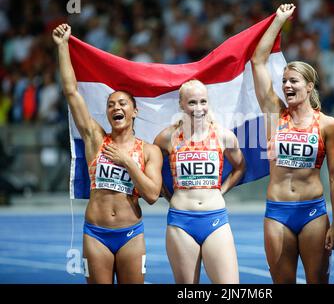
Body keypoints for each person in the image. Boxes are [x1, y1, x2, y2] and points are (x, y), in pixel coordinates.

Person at [53, 24, 163, 284]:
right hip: (96, 233)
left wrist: (127, 162)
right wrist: (62, 46)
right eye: (111, 104)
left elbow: (151, 195)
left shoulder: (149, 151)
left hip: (131, 235)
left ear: (134, 112)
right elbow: (71, 93)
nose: (116, 107)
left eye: (122, 103)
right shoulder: (96, 139)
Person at [250, 4, 334, 284]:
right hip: (277, 211)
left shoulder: (328, 124)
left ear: (310, 86)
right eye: (284, 81)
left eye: (294, 81)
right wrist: (278, 21)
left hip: (313, 211)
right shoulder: (274, 114)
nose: (287, 86)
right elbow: (257, 60)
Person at [153, 79, 245, 284]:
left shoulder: (224, 136)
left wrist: (221, 190)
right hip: (180, 222)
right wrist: (167, 194)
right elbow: (151, 169)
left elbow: (240, 167)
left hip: (216, 219)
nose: (198, 108)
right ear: (181, 104)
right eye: (192, 102)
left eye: (203, 101)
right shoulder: (167, 137)